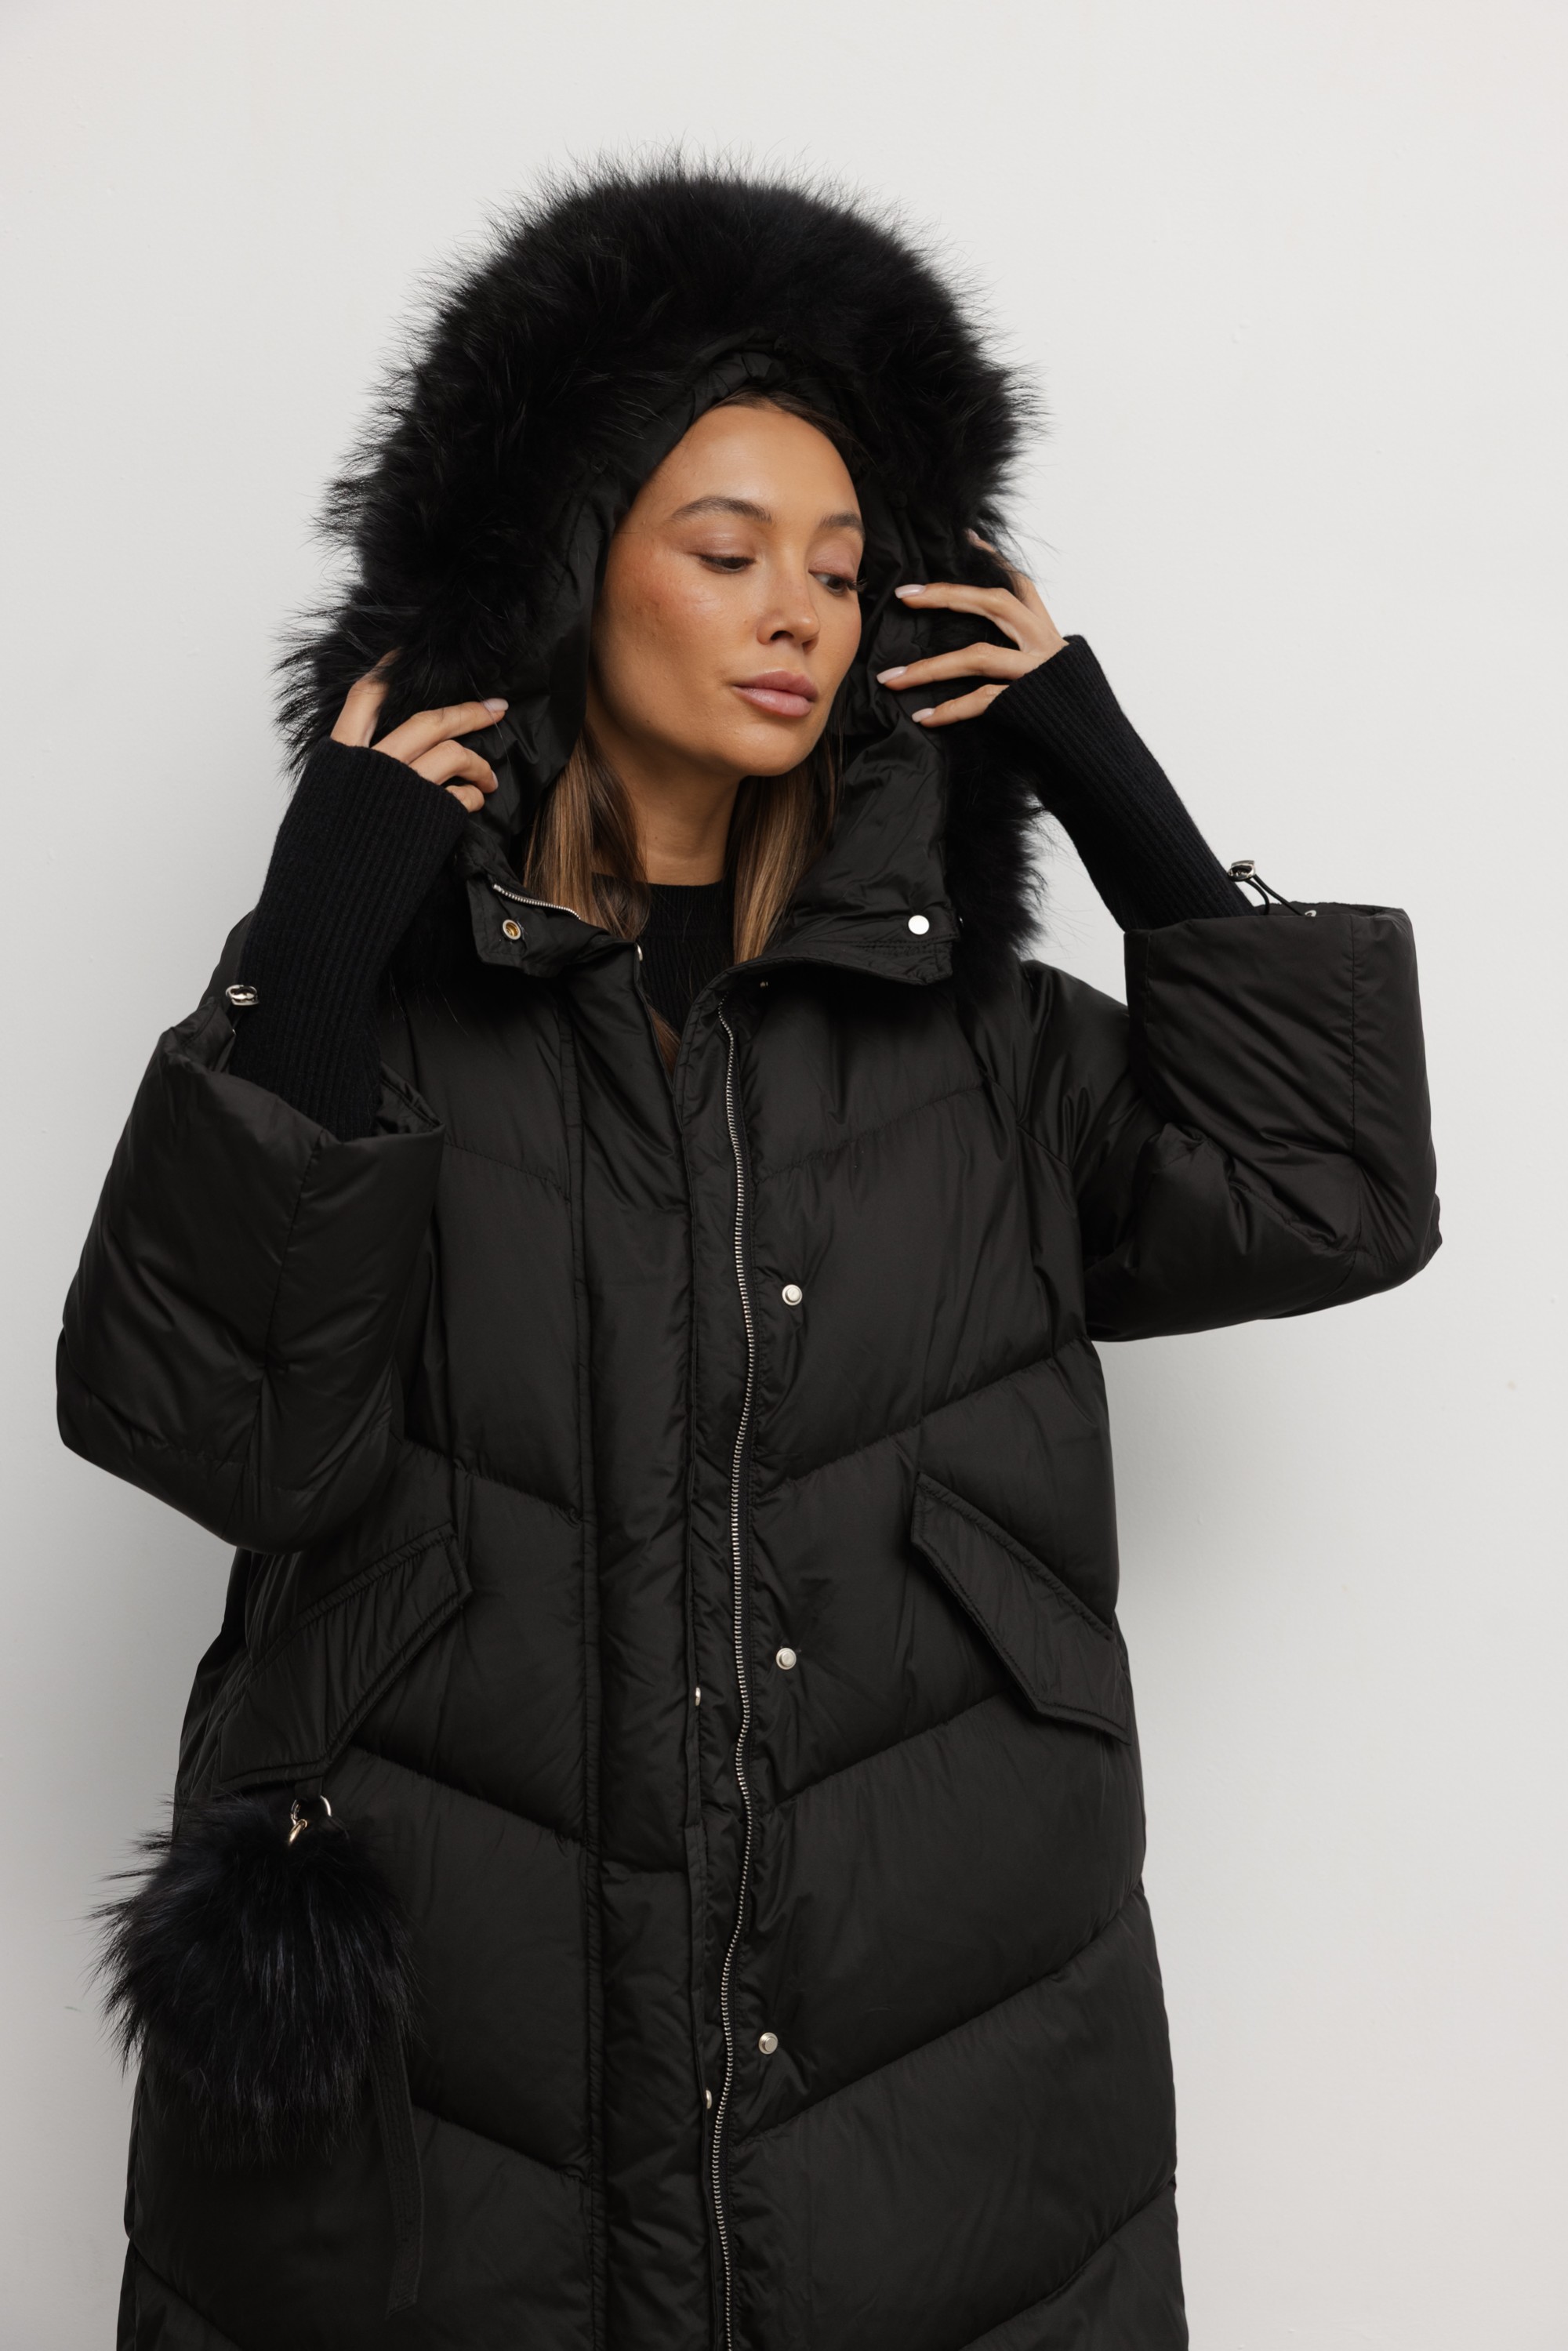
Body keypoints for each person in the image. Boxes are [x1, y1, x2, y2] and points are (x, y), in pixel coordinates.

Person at [60, 163, 1439, 2351]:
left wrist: (1110, 785)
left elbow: (1330, 1190)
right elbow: (216, 1430)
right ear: (562, 577)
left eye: (840, 565)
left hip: (940, 2035)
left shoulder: (980, 1042)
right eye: (725, 553)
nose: (799, 609)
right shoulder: (382, 1032)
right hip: (461, 2054)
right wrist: (315, 933)